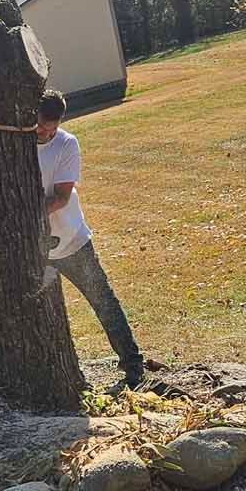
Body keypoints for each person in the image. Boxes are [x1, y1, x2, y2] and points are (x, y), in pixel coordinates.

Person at [36, 90, 144, 388]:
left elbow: (60, 197)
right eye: (41, 126)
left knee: (103, 300)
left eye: (51, 128)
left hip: (72, 241)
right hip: (34, 250)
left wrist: (24, 214)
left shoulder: (66, 144)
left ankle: (133, 365)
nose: (45, 133)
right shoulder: (16, 143)